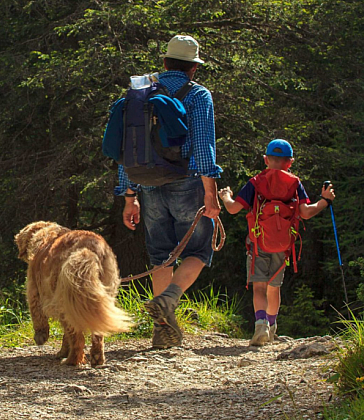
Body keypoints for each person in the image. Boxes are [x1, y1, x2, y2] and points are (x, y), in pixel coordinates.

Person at [115, 35, 222, 349]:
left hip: (147, 185)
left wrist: (129, 195)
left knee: (161, 257)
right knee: (200, 251)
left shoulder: (141, 93)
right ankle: (169, 300)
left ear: (164, 64)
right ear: (193, 69)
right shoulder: (197, 95)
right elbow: (204, 149)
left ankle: (162, 332)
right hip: (187, 182)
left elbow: (128, 149)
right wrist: (210, 194)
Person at [218, 139, 335, 346]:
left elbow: (234, 208)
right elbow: (306, 213)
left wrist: (226, 196)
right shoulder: (294, 183)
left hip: (258, 242)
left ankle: (260, 325)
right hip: (283, 245)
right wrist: (325, 200)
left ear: (266, 160)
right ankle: (272, 327)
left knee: (259, 287)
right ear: (290, 162)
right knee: (274, 287)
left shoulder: (256, 182)